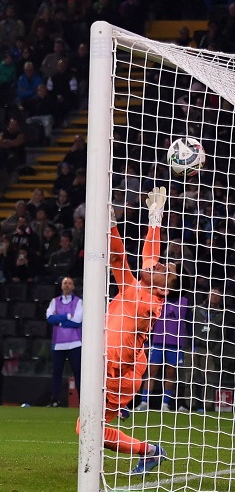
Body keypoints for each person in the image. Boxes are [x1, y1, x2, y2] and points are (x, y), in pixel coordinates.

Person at [77, 187, 176, 474]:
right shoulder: (135, 287)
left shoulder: (150, 301)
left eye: (162, 268)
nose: (157, 265)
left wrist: (147, 222)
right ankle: (148, 450)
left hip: (120, 371)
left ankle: (150, 450)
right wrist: (116, 223)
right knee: (87, 429)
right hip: (107, 364)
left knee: (88, 429)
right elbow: (121, 257)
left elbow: (144, 258)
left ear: (163, 285)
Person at [138, 289, 189, 411]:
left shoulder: (185, 302)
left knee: (170, 374)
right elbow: (149, 321)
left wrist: (192, 345)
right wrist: (146, 341)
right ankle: (144, 402)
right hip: (158, 341)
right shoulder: (158, 300)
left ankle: (165, 404)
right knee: (151, 372)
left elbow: (189, 323)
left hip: (175, 343)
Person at [46, 276, 82, 408]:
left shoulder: (78, 302)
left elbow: (78, 321)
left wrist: (59, 320)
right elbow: (50, 318)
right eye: (64, 283)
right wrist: (67, 316)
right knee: (57, 372)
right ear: (61, 286)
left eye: (69, 283)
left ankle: (82, 402)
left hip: (75, 343)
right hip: (59, 343)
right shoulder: (54, 301)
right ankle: (55, 400)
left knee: (78, 372)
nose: (66, 285)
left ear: (73, 286)